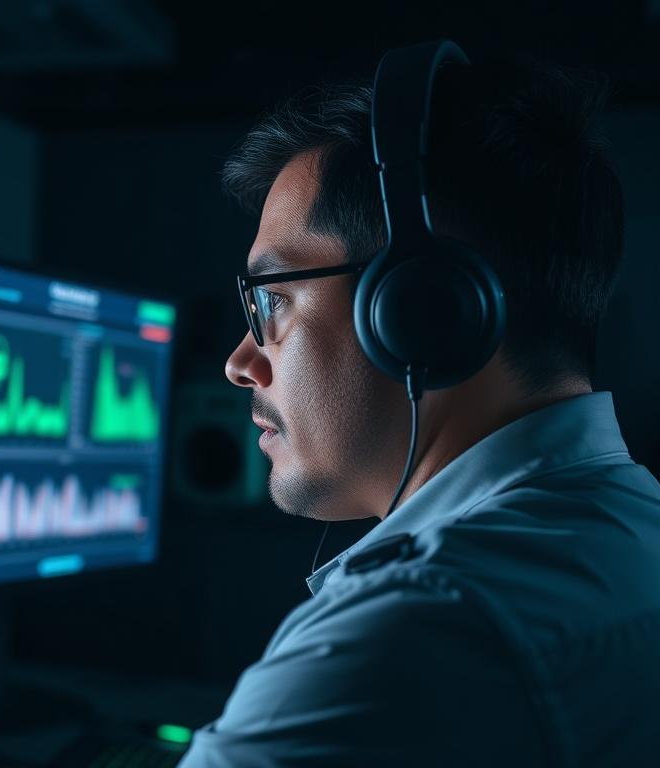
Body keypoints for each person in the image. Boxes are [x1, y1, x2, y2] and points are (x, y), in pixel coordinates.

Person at [178, 51, 660, 767]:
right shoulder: (632, 524)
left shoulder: (415, 631)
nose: (239, 362)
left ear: (422, 310)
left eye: (273, 300)